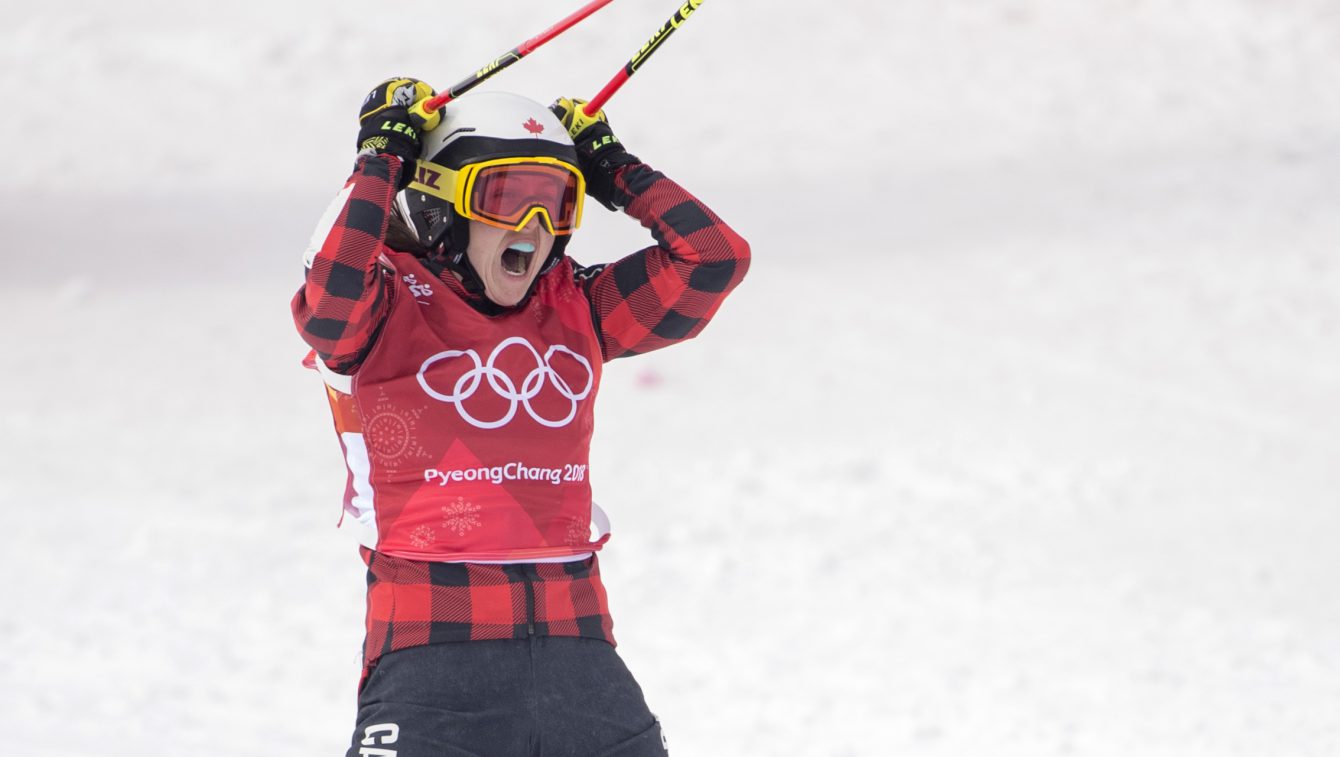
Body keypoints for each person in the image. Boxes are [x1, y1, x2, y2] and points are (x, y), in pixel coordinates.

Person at [292, 77, 750, 756]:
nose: (533, 229)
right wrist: (381, 161)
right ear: (441, 202)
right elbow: (329, 298)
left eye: (557, 203)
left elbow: (712, 260)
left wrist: (616, 171)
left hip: (579, 659)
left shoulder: (578, 305)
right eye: (505, 198)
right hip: (432, 661)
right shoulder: (386, 303)